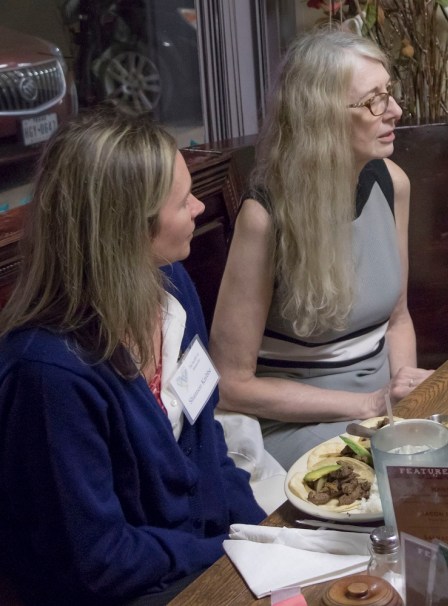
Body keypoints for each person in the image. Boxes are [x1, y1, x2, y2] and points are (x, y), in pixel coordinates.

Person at [0, 108, 266, 605]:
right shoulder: (48, 373)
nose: (200, 208)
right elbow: (97, 561)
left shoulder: (170, 285)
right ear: (128, 229)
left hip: (199, 558)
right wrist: (225, 554)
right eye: (182, 200)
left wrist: (267, 538)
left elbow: (207, 443)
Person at [210, 28, 432, 470]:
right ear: (322, 117)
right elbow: (231, 385)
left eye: (389, 93)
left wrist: (403, 397)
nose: (396, 111)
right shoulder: (265, 217)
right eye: (374, 100)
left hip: (378, 412)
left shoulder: (391, 183)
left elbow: (398, 319)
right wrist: (370, 404)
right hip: (293, 424)